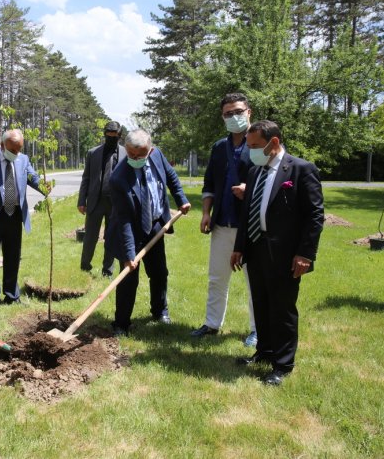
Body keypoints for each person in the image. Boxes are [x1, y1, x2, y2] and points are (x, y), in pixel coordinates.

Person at [231, 120, 324, 386]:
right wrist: (239, 247)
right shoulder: (255, 171)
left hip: (286, 254)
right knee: (260, 303)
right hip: (256, 248)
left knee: (282, 308)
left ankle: (282, 364)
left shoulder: (301, 170)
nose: (251, 152)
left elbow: (315, 216)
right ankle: (265, 352)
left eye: (255, 146)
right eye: (249, 146)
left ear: (274, 143)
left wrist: (305, 254)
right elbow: (247, 211)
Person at [106, 129, 191, 335]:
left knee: (159, 272)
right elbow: (124, 218)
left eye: (140, 155)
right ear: (126, 149)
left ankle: (160, 311)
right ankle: (121, 323)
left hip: (155, 225)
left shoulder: (156, 154)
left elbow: (171, 177)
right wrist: (128, 255)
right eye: (131, 155)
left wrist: (181, 200)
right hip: (130, 231)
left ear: (150, 149)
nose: (134, 159)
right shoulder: (118, 178)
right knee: (128, 278)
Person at [192, 93, 257, 347]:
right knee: (217, 278)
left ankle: (256, 329)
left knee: (255, 281)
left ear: (249, 112)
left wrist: (248, 189)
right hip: (222, 223)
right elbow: (209, 183)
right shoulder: (220, 147)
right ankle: (211, 323)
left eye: (238, 111)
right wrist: (206, 212)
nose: (234, 117)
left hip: (251, 226)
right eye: (228, 113)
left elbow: (274, 180)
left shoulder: (259, 143)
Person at [0, 128, 46, 314]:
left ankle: (12, 295)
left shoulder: (23, 159)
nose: (16, 154)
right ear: (3, 145)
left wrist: (45, 187)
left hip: (14, 216)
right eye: (13, 150)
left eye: (19, 150)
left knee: (13, 257)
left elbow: (32, 177)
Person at [77, 120, 126, 277]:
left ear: (119, 136)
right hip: (95, 202)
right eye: (108, 135)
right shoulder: (93, 153)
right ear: (104, 134)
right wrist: (81, 201)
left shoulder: (126, 153)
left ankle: (107, 270)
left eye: (114, 136)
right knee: (90, 237)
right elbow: (86, 178)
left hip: (116, 204)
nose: (111, 138)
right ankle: (85, 266)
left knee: (111, 238)